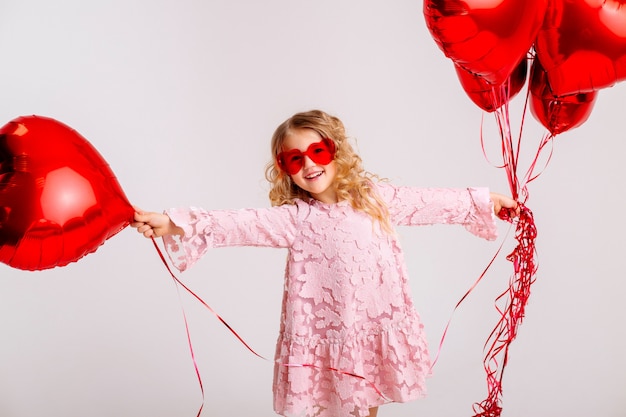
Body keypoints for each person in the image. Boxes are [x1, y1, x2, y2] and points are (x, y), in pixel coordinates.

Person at [132, 109, 519, 417]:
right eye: (294, 159)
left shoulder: (374, 199)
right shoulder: (295, 218)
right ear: (284, 168)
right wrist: (171, 222)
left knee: (368, 407)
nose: (308, 166)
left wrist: (483, 201)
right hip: (326, 336)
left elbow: (429, 202)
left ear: (336, 151)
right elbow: (237, 223)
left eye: (317, 153)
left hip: (373, 326)